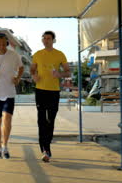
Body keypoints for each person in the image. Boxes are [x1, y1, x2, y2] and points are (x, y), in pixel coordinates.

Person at [30, 31, 70, 162]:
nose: (46, 40)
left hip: (54, 91)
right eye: (44, 38)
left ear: (53, 40)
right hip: (40, 90)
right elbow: (32, 69)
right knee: (41, 120)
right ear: (42, 40)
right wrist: (34, 75)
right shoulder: (37, 54)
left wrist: (60, 74)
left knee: (50, 120)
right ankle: (45, 150)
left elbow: (68, 71)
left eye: (48, 38)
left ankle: (47, 146)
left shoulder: (60, 54)